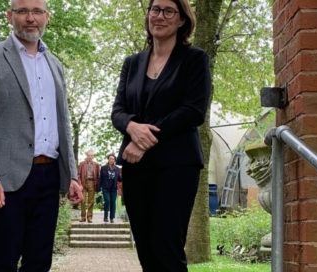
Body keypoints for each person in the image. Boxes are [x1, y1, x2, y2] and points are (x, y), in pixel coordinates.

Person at [0, 0, 83, 270]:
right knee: (3, 261)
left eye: (37, 11)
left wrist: (72, 174)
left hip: (49, 176)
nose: (31, 18)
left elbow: (62, 124)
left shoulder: (55, 66)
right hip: (7, 180)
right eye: (22, 11)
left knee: (40, 262)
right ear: (10, 16)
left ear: (47, 17)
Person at [110, 0, 211, 271]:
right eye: (155, 10)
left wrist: (144, 140)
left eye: (169, 11)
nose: (160, 16)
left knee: (167, 246)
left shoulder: (194, 59)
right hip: (136, 167)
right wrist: (132, 126)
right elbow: (118, 111)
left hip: (176, 165)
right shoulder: (132, 63)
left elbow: (193, 110)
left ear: (182, 20)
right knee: (144, 246)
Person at [78, 149, 100, 223]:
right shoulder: (82, 163)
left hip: (92, 182)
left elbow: (97, 176)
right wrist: (79, 184)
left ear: (93, 156)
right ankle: (83, 217)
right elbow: (78, 174)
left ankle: (89, 217)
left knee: (91, 201)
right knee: (83, 200)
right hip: (84, 182)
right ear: (86, 155)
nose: (90, 157)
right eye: (88, 155)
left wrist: (96, 184)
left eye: (91, 155)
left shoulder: (96, 165)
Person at [99, 153, 121, 223]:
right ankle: (105, 217)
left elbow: (119, 179)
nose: (111, 160)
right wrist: (99, 187)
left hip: (113, 189)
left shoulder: (117, 169)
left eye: (113, 159)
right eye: (110, 159)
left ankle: (111, 218)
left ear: (115, 160)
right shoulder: (103, 168)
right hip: (105, 188)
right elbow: (101, 178)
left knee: (113, 202)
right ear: (108, 159)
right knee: (107, 201)